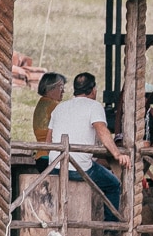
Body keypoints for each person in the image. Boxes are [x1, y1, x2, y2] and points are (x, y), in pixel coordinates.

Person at [44, 73, 129, 225]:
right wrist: (117, 154)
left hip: (54, 166)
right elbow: (102, 131)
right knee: (113, 184)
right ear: (93, 90)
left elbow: (48, 141)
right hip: (79, 169)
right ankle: (111, 226)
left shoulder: (59, 108)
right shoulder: (94, 106)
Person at [32, 73, 66, 171]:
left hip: (40, 155)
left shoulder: (42, 102)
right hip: (50, 156)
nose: (63, 91)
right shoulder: (54, 106)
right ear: (50, 89)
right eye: (61, 87)